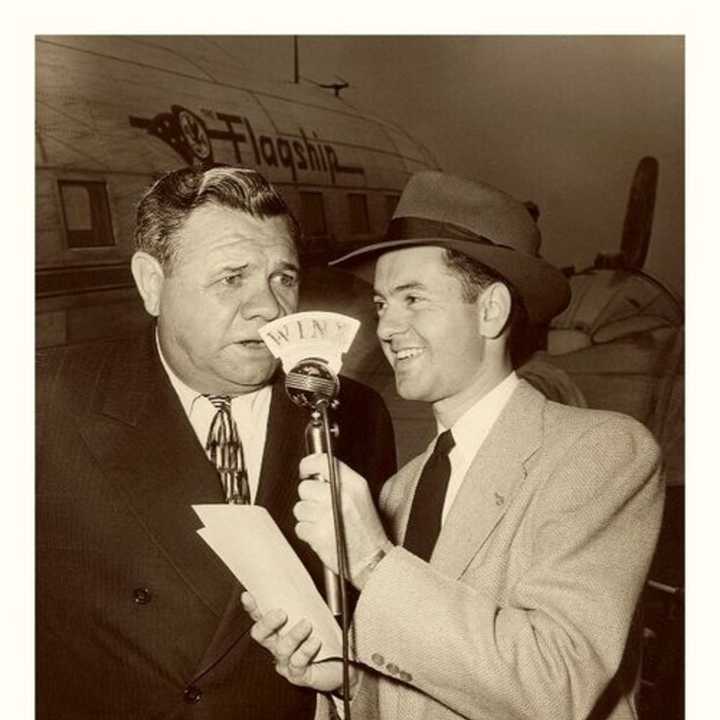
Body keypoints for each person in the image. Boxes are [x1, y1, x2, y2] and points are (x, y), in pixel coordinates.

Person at [243, 170, 664, 720]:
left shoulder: (601, 453)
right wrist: (346, 680)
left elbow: (557, 686)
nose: (387, 327)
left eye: (412, 298)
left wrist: (371, 560)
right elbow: (433, 681)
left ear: (491, 310)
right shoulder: (398, 490)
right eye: (382, 304)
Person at [36, 165, 396, 720]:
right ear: (151, 283)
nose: (271, 309)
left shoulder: (354, 414)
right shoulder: (47, 402)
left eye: (284, 278)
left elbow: (375, 628)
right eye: (232, 278)